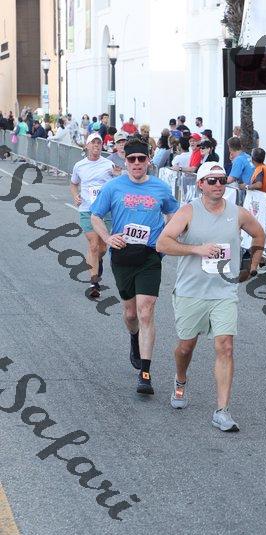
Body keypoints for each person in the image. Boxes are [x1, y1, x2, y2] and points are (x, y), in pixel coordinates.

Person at [156, 162, 265, 432]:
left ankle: (222, 411)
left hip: (224, 291)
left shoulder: (237, 213)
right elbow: (162, 243)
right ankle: (181, 379)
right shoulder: (188, 211)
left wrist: (253, 265)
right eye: (212, 180)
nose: (218, 185)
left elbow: (259, 234)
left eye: (222, 180)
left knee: (225, 346)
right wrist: (197, 249)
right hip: (191, 291)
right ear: (200, 184)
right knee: (186, 347)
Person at [90, 137, 179, 395]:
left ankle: (145, 374)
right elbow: (95, 215)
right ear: (125, 161)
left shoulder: (161, 188)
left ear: (148, 160)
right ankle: (134, 337)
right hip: (123, 254)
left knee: (146, 310)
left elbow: (173, 213)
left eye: (141, 158)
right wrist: (108, 238)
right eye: (132, 159)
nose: (137, 163)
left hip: (150, 256)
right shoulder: (113, 187)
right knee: (131, 314)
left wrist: (168, 235)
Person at [70, 132, 119, 298]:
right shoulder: (79, 166)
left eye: (99, 143)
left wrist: (118, 175)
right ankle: (94, 282)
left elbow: (117, 183)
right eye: (93, 142)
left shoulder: (108, 164)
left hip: (105, 210)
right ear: (87, 146)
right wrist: (75, 196)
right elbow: (73, 184)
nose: (96, 145)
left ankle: (97, 261)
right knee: (93, 245)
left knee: (103, 247)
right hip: (87, 209)